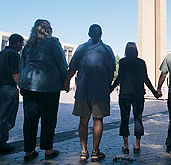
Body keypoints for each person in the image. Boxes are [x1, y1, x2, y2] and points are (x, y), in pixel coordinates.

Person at [64, 24, 115, 162]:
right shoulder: (107, 49)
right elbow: (111, 73)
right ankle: (95, 152)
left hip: (83, 90)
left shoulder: (81, 48)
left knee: (83, 120)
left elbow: (73, 68)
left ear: (88, 34)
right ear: (101, 34)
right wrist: (108, 86)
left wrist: (66, 81)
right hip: (100, 91)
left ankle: (83, 151)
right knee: (98, 120)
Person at [18, 19, 67, 161]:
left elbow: (22, 65)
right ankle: (48, 149)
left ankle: (28, 151)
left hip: (28, 84)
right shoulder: (53, 43)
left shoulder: (28, 45)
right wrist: (64, 81)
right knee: (49, 118)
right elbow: (62, 64)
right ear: (49, 30)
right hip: (49, 86)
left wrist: (23, 83)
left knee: (30, 119)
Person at [110, 42, 158, 154]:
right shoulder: (141, 63)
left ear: (126, 51)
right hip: (138, 95)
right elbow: (146, 79)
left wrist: (111, 88)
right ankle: (137, 145)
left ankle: (126, 145)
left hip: (125, 94)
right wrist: (154, 92)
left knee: (124, 119)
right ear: (136, 51)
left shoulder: (122, 62)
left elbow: (119, 78)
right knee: (138, 119)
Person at [0, 34, 24, 154]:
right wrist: (21, 86)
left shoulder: (2, 53)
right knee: (6, 117)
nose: (22, 46)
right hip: (9, 89)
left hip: (1, 87)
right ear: (16, 43)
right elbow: (15, 73)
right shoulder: (14, 55)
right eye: (21, 43)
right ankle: (2, 143)